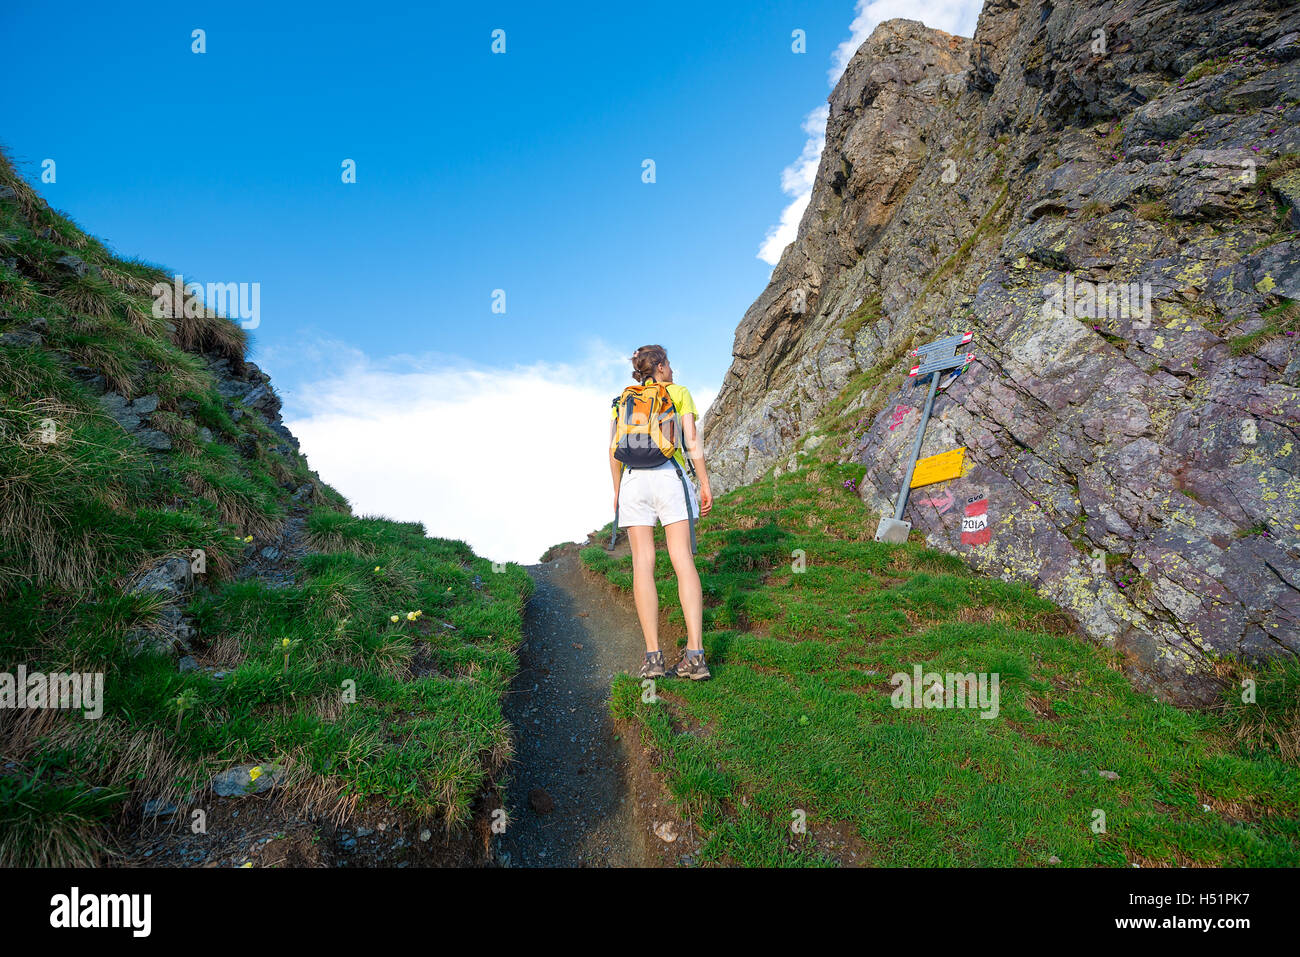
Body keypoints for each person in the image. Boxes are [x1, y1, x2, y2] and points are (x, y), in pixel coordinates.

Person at [609, 345, 714, 680]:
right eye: (668, 364)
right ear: (659, 367)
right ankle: (695, 656)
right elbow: (692, 440)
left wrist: (617, 493)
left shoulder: (623, 400)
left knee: (643, 564)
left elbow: (613, 450)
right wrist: (704, 482)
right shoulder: (678, 393)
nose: (672, 370)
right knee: (682, 559)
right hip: (670, 476)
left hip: (633, 483)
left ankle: (653, 657)